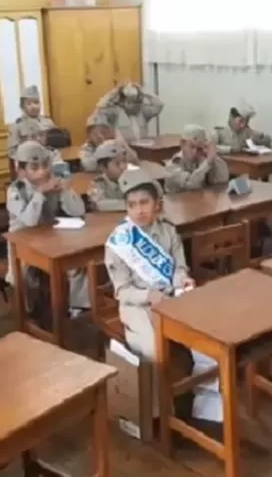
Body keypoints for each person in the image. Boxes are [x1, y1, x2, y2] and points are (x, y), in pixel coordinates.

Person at [104, 168, 222, 427]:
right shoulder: (120, 242)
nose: (139, 210)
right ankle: (159, 415)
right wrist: (149, 295)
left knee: (209, 334)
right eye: (132, 205)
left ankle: (205, 402)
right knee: (154, 349)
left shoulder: (168, 232)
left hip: (172, 298)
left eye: (144, 202)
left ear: (157, 204)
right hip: (138, 306)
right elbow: (122, 291)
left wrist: (183, 280)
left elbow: (180, 268)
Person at [5, 141, 88, 314]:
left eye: (45, 165)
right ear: (21, 171)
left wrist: (65, 190)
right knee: (23, 278)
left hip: (51, 237)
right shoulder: (15, 191)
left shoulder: (53, 183)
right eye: (34, 167)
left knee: (79, 263)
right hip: (22, 242)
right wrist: (40, 193)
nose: (42, 171)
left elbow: (79, 210)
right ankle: (29, 315)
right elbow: (30, 221)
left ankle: (77, 306)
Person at [164, 124, 230, 193]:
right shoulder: (172, 166)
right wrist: (208, 162)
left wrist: (213, 156)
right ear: (182, 144)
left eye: (199, 148)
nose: (195, 152)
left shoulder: (201, 161)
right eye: (192, 147)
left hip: (197, 201)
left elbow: (222, 180)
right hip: (177, 202)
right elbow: (190, 184)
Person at [95, 82, 164, 142]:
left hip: (142, 148)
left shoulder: (143, 111)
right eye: (129, 101)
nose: (132, 104)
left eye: (134, 101)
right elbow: (100, 109)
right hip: (124, 150)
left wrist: (143, 92)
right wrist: (114, 93)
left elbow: (159, 105)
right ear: (122, 101)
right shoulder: (115, 111)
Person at [7, 85, 57, 158]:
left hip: (50, 159)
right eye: (29, 103)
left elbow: (57, 143)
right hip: (28, 162)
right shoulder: (17, 126)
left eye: (36, 102)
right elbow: (12, 152)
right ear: (23, 107)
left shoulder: (48, 122)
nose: (34, 106)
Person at [87, 140, 130, 212]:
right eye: (117, 164)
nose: (123, 167)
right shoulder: (97, 183)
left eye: (124, 161)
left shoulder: (131, 179)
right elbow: (98, 204)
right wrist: (131, 204)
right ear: (103, 168)